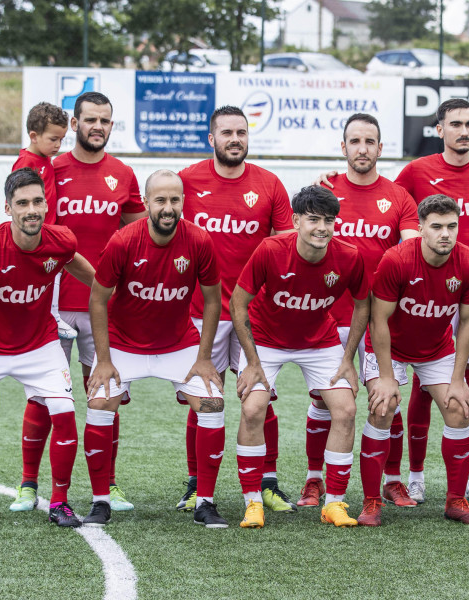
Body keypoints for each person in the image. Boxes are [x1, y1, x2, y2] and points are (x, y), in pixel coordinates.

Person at [320, 98, 469, 504]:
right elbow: (395, 219)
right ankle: (387, 479)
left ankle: (460, 485)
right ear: (439, 129)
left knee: (466, 392)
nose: (463, 130)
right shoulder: (408, 176)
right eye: (455, 124)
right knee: (376, 398)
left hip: (459, 295)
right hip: (381, 304)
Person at [9, 91, 146, 515]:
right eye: (91, 120)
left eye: (106, 121)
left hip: (104, 307)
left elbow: (141, 230)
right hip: (50, 304)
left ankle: (108, 486)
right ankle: (29, 485)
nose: (98, 127)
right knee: (43, 396)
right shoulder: (47, 168)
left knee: (106, 393)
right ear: (75, 125)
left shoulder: (123, 174)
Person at [0, 168, 95, 528]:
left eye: (37, 201)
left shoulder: (61, 241)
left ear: (47, 205)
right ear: (8, 208)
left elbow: (89, 274)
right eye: (22, 203)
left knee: (64, 415)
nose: (32, 209)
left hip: (39, 345)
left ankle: (59, 502)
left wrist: (118, 296)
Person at [83, 170, 228, 528]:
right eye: (160, 200)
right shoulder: (122, 241)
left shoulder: (199, 240)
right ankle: (101, 500)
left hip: (178, 343)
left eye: (174, 200)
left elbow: (213, 301)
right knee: (100, 401)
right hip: (124, 343)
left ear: (183, 202)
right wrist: (102, 361)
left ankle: (205, 502)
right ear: (146, 203)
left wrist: (204, 358)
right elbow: (97, 301)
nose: (168, 207)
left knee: (212, 402)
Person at [297, 113, 420, 509]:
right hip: (328, 315)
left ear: (380, 149)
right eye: (355, 141)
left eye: (370, 142)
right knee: (324, 400)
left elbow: (412, 247)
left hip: (381, 318)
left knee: (387, 397)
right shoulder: (325, 191)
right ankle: (315, 480)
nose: (362, 149)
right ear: (344, 147)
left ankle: (393, 480)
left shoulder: (398, 196)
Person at [176, 106, 296, 514]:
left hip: (253, 315)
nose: (235, 139)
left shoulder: (268, 184)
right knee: (203, 395)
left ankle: (268, 482)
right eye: (226, 132)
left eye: (241, 132)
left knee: (259, 397)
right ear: (212, 139)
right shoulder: (187, 182)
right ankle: (196, 485)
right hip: (199, 311)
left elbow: (287, 248)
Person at [230, 186, 369, 529]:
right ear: (295, 221)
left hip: (319, 341)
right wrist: (252, 362)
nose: (322, 227)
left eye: (329, 220)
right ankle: (252, 503)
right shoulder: (270, 250)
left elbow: (364, 304)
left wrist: (348, 359)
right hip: (266, 339)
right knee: (251, 409)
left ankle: (334, 503)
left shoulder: (349, 256)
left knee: (347, 410)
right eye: (313, 219)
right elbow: (238, 303)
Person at [358, 194, 469, 527]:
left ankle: (456, 500)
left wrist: (458, 379)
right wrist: (386, 377)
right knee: (383, 408)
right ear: (421, 229)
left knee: (458, 408)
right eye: (437, 227)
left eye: (452, 226)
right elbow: (379, 320)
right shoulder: (396, 259)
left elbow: (468, 322)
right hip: (389, 348)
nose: (446, 234)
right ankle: (372, 501)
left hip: (436, 348)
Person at [12, 101, 76, 340]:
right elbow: (17, 197)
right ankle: (52, 316)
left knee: (54, 271)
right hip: (37, 232)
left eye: (61, 139)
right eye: (53, 139)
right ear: (34, 136)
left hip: (48, 230)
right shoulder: (26, 163)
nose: (58, 145)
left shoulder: (44, 159)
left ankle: (50, 316)